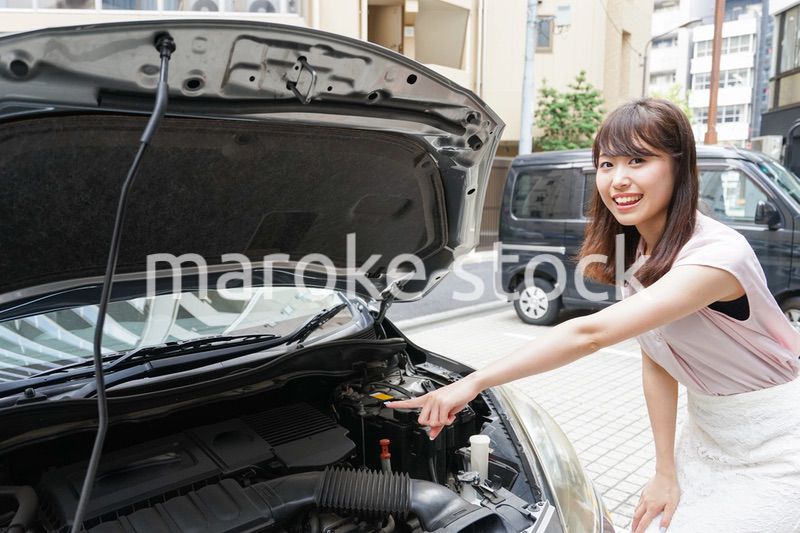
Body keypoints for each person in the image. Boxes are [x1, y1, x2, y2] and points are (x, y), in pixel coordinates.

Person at [386, 98, 800, 533]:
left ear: (681, 167)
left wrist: (472, 383)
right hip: (708, 434)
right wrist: (664, 471)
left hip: (778, 440)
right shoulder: (640, 254)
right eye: (606, 164)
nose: (618, 179)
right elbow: (658, 359)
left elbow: (591, 334)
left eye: (639, 160)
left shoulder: (718, 256)